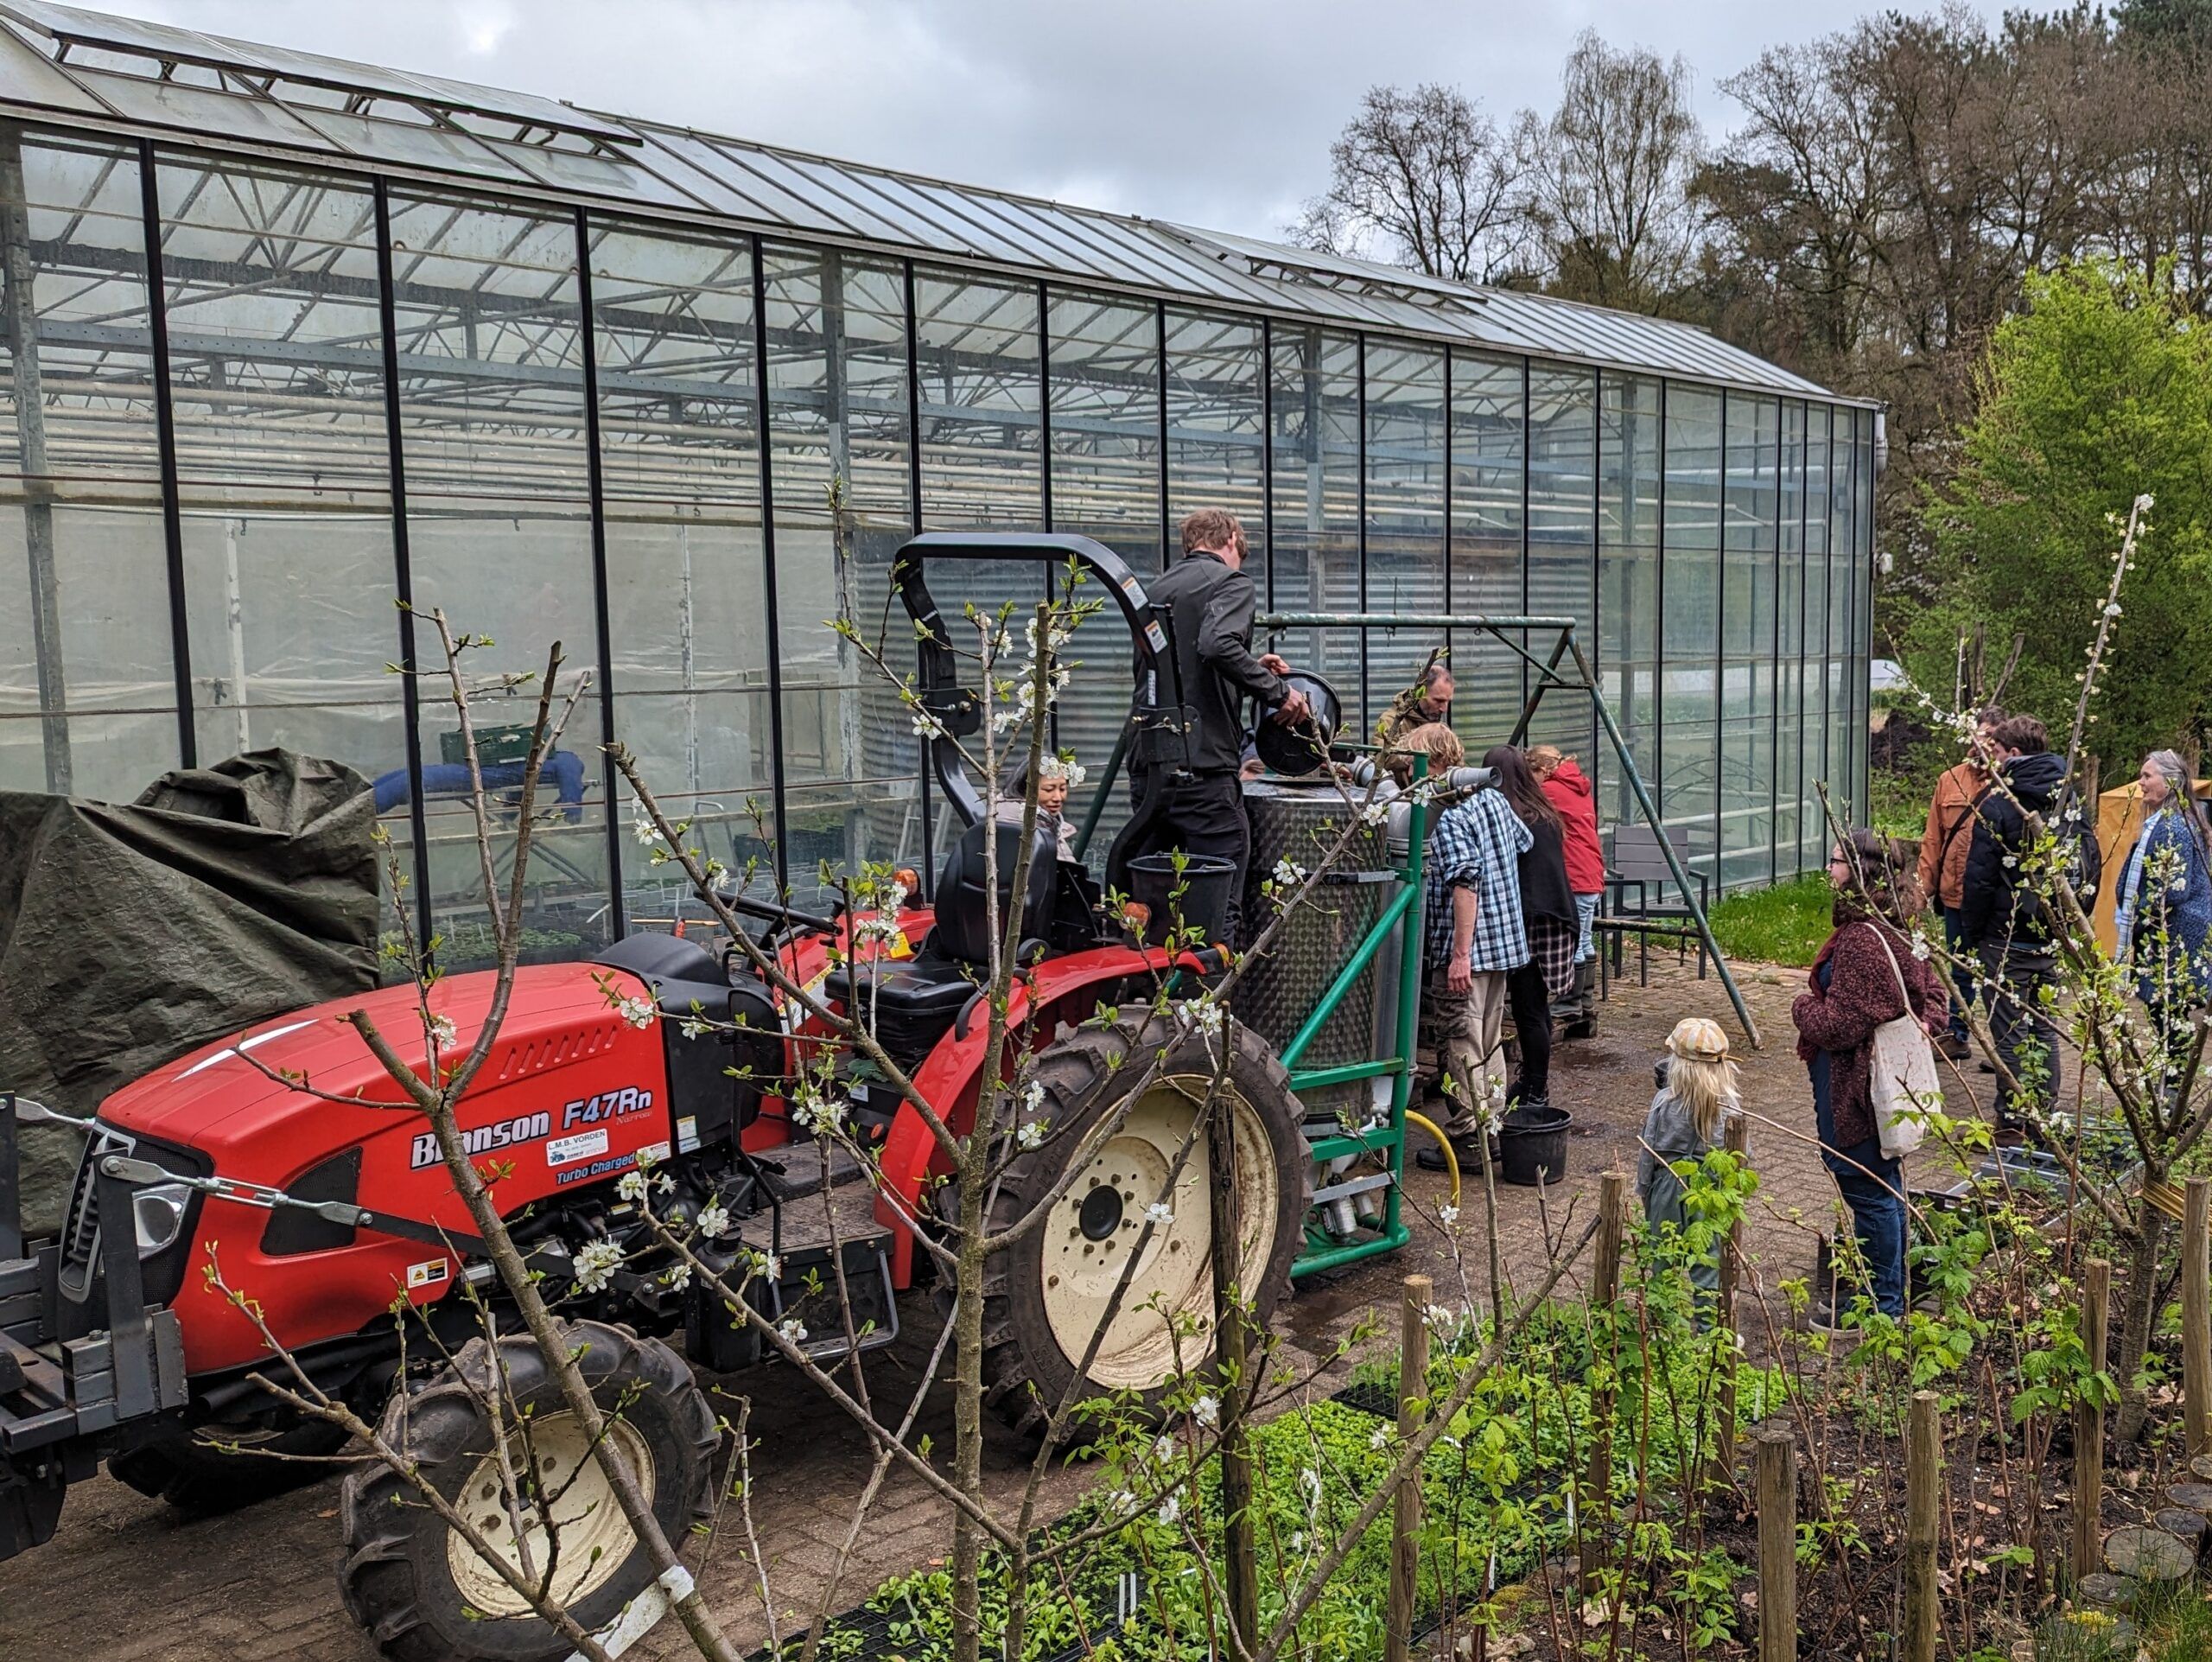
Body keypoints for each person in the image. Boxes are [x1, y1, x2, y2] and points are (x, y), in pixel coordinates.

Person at [1127, 510, 1311, 935]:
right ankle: (1211, 995)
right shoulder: (1231, 582)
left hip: (1150, 768)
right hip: (1203, 771)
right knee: (1218, 895)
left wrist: (1251, 667)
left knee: (1158, 896)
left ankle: (1155, 991)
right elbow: (1215, 644)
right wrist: (1279, 691)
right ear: (1229, 538)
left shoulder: (1156, 589)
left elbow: (1183, 670)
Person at [1794, 830, 1947, 1322]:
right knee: (1884, 1185)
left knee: (1866, 1186)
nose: (1829, 870)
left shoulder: (1863, 939)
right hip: (1882, 1080)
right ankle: (1891, 1294)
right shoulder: (1900, 922)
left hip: (1856, 1085)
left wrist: (1801, 1008)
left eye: (1836, 861)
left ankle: (1883, 1309)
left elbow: (1839, 1026)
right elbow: (1938, 1000)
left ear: (1861, 872)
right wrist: (1921, 1023)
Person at [1414, 724, 1534, 1171]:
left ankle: (1468, 1141)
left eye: (1415, 764)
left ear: (1437, 764)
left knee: (1461, 1042)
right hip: (1504, 945)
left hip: (1471, 954)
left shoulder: (1451, 819)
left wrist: (1459, 955)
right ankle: (1492, 1130)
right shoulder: (1494, 800)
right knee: (1488, 1041)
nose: (1411, 773)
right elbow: (1526, 842)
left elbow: (1466, 883)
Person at [1958, 714, 2082, 1113]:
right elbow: (2088, 858)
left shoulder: (2000, 802)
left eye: (1995, 750)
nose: (1991, 758)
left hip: (2005, 936)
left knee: (2009, 1030)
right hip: (2052, 934)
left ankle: (2013, 1119)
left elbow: (1979, 878)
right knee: (2044, 1028)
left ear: (2013, 753)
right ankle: (2044, 1113)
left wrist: (1973, 935)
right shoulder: (2068, 797)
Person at [1483, 745, 1575, 1111]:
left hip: (1536, 922)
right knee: (1536, 1009)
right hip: (1555, 917)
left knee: (1530, 1009)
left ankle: (1536, 1089)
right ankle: (1532, 1080)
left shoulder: (1518, 817)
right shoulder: (1543, 812)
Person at [1637, 1017, 1740, 1325]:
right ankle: (1710, 1334)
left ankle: (1659, 1332)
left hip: (1668, 1183)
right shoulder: (1730, 1107)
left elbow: (1648, 1151)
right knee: (1707, 1263)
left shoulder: (1664, 1102)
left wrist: (1644, 1191)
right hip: (1710, 1190)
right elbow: (1740, 1156)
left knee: (1662, 1262)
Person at [1914, 708, 2003, 1060]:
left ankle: (2004, 1050)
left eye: (1993, 737)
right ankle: (1957, 1034)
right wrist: (1920, 895)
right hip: (1956, 896)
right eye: (1981, 734)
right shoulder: (1948, 781)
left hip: (1996, 901)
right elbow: (1932, 841)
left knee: (1998, 974)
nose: (1985, 743)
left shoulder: (2009, 784)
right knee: (1960, 969)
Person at [2114, 748, 2212, 1067]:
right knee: (2169, 1024)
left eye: (2147, 776)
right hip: (2171, 938)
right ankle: (2170, 1096)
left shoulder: (2175, 826)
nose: (2140, 783)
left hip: (2175, 939)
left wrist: (2140, 916)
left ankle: (2172, 1102)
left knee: (2171, 1025)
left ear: (2170, 783)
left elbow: (2173, 889)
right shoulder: (2175, 820)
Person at [1528, 744, 1605, 970]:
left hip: (1575, 874)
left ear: (1542, 769)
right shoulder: (1577, 785)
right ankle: (1584, 1001)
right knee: (1585, 939)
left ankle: (1570, 1003)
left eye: (1532, 775)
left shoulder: (1550, 790)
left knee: (1574, 944)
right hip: (1591, 871)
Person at [994, 754, 1079, 860]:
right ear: (1025, 788)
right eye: (1048, 790)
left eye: (1062, 789)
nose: (1058, 797)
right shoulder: (1015, 824)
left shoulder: (1046, 820)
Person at [1380, 659, 1453, 747]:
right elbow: (1383, 757)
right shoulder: (1391, 721)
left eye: (1447, 701)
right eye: (1438, 700)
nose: (1444, 709)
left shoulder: (1441, 727)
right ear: (1420, 693)